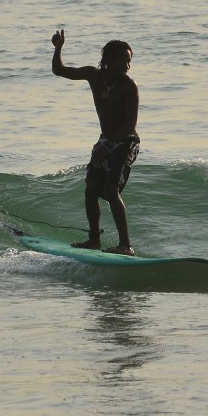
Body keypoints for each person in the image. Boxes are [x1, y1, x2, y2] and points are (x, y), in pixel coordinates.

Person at [51, 30, 140, 254]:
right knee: (91, 190)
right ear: (108, 59)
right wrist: (58, 49)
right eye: (122, 61)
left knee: (111, 191)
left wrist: (109, 146)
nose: (127, 66)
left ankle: (125, 245)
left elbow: (129, 125)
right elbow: (59, 71)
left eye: (129, 62)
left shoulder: (129, 86)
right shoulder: (94, 75)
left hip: (126, 142)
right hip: (105, 141)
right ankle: (94, 240)